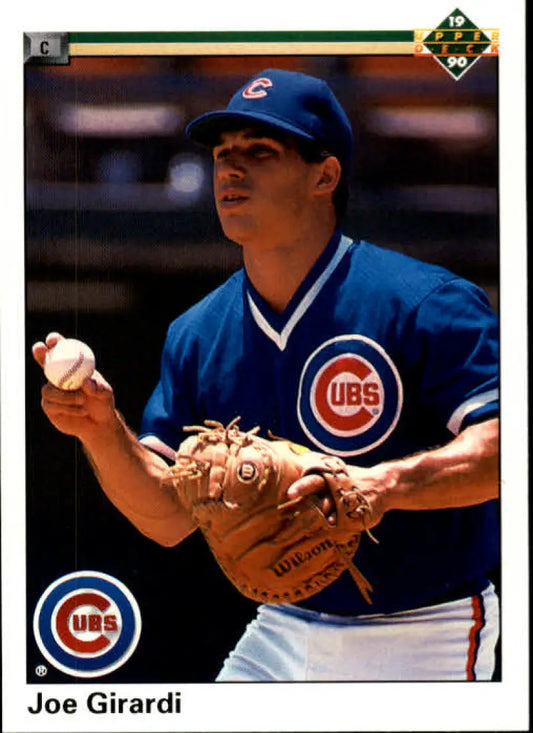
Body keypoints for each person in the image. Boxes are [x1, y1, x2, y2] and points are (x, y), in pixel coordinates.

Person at [33, 68, 500, 681]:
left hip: (422, 627)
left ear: (324, 175)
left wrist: (381, 486)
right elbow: (169, 516)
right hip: (283, 626)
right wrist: (100, 428)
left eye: (260, 152)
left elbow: (499, 450)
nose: (230, 169)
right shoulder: (198, 332)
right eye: (224, 154)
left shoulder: (422, 302)